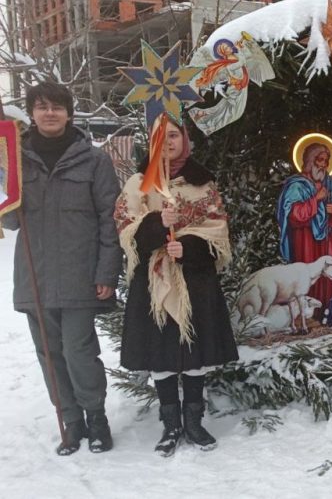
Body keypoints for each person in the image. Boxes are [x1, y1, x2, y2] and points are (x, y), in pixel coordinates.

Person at [1, 82, 122, 455]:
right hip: (34, 275)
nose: (49, 113)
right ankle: (71, 422)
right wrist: (6, 180)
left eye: (56, 107)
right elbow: (10, 222)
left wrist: (106, 273)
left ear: (69, 112)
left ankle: (96, 418)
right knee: (49, 355)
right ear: (32, 113)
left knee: (79, 350)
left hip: (80, 276)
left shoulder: (93, 160)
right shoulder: (15, 160)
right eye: (41, 107)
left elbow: (110, 219)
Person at [114, 117, 238, 457]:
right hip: (153, 284)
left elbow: (218, 230)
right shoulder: (140, 184)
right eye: (161, 136)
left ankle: (194, 421)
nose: (168, 142)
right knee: (162, 354)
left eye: (174, 135)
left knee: (194, 352)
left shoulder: (204, 183)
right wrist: (155, 224)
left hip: (195, 279)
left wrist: (191, 248)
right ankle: (170, 424)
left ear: (185, 139)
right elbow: (125, 228)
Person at [276, 142, 332, 324]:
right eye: (319, 160)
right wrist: (316, 200)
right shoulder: (296, 185)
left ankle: (327, 311)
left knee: (328, 274)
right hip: (305, 239)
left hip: (328, 238)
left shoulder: (330, 183)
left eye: (326, 161)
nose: (323, 165)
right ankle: (306, 316)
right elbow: (294, 215)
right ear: (309, 160)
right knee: (306, 276)